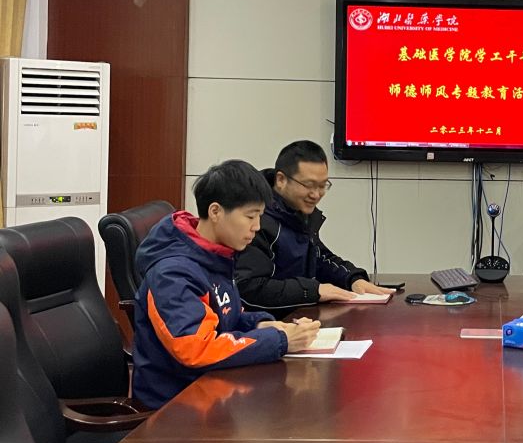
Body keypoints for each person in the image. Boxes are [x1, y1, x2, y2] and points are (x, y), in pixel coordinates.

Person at [132, 160, 321, 409]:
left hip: (214, 392)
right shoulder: (172, 274)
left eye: (260, 216)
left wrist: (263, 324)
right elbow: (196, 348)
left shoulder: (215, 254)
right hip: (175, 406)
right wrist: (280, 340)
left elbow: (227, 317)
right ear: (215, 212)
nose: (256, 227)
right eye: (250, 216)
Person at [235, 140, 393, 314]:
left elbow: (318, 257)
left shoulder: (297, 211)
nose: (316, 194)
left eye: (323, 185)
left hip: (300, 319)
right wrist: (312, 290)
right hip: (269, 323)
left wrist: (352, 278)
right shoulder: (255, 220)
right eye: (309, 185)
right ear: (281, 180)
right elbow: (249, 289)